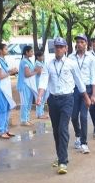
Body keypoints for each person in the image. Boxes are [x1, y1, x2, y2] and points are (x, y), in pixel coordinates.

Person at [37, 37, 91, 174]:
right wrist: (39, 96)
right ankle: (59, 155)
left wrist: (86, 97)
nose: (59, 49)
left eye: (61, 47)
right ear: (54, 48)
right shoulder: (48, 64)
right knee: (56, 130)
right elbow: (43, 81)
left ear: (66, 48)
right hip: (53, 100)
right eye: (57, 47)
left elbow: (79, 81)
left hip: (67, 99)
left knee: (63, 129)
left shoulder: (71, 63)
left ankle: (63, 161)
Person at [68, 35, 95, 154]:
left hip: (87, 89)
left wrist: (93, 95)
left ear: (86, 44)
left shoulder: (91, 58)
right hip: (74, 90)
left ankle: (84, 143)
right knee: (74, 116)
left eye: (82, 42)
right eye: (78, 42)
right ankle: (78, 135)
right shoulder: (70, 57)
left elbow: (94, 77)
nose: (79, 44)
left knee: (83, 116)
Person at [0, 43, 18, 139]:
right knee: (2, 110)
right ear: (0, 50)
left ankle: (5, 130)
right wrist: (10, 72)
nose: (7, 50)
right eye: (6, 49)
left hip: (6, 89)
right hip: (1, 89)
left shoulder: (3, 60)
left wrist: (12, 71)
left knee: (7, 109)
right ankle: (1, 131)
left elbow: (5, 73)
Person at [17, 45, 41, 126]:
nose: (32, 53)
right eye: (31, 51)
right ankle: (24, 120)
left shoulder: (29, 61)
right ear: (26, 52)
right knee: (25, 103)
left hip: (29, 86)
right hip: (24, 85)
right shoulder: (24, 61)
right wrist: (36, 72)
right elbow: (27, 74)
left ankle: (27, 119)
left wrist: (35, 71)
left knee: (29, 102)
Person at [34, 51, 49, 119]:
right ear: (38, 57)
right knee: (40, 98)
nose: (43, 57)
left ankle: (41, 113)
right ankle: (39, 114)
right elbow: (39, 73)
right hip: (39, 83)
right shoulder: (37, 63)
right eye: (42, 56)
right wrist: (42, 69)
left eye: (43, 56)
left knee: (43, 99)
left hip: (44, 82)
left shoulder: (42, 63)